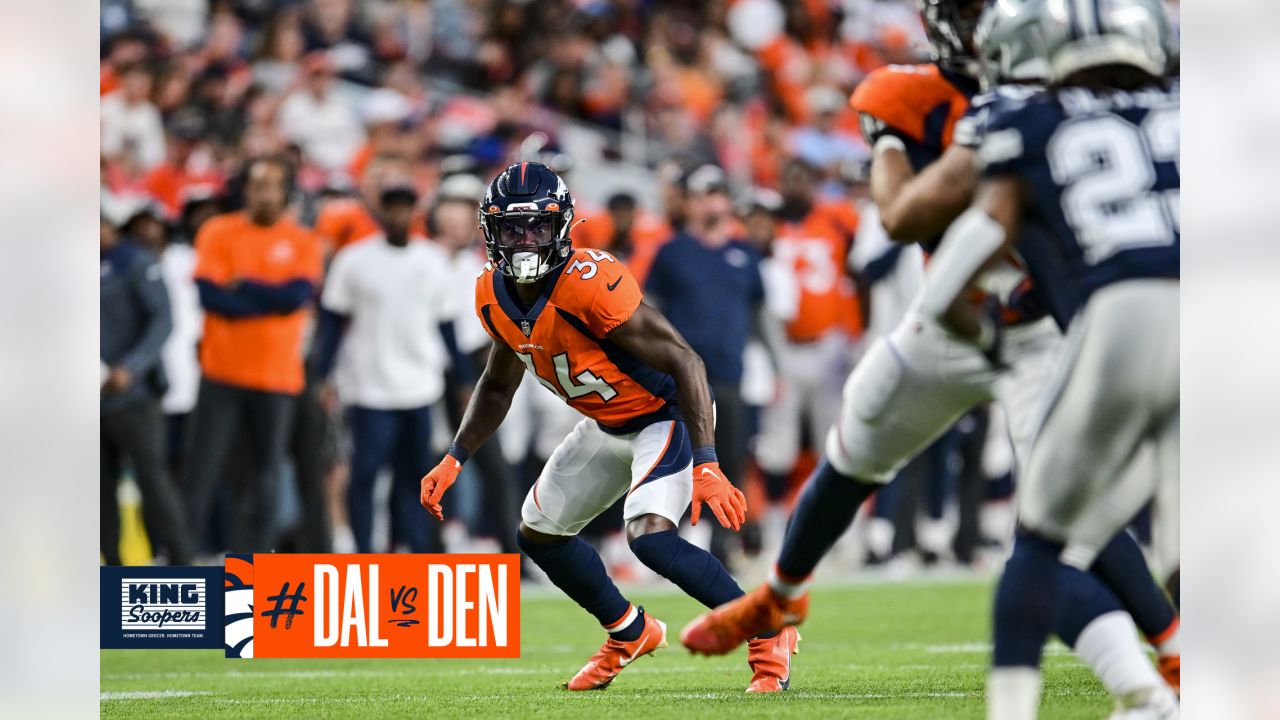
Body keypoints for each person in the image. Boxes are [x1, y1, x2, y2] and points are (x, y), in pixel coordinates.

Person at [680, 0, 1180, 708]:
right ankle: (781, 596)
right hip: (953, 322)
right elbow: (905, 217)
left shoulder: (1042, 105)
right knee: (856, 439)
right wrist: (892, 141)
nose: (989, 27)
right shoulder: (923, 96)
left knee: (1063, 510)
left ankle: (1170, 653)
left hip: (1041, 332)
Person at [417, 162, 797, 693]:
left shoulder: (590, 281)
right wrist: (455, 455)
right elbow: (499, 383)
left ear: (563, 227)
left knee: (649, 539)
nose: (525, 242)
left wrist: (707, 461)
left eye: (537, 228)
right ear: (490, 232)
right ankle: (629, 631)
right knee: (540, 533)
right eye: (512, 229)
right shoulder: (490, 292)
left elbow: (686, 361)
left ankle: (764, 628)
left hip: (663, 415)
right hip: (606, 422)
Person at [914, 2, 1180, 716]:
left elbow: (953, 272)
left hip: (1125, 316)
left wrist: (976, 329)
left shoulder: (1030, 120)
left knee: (1040, 544)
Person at [183, 156, 323, 553]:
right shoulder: (218, 231)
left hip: (277, 377)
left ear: (285, 192)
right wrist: (269, 302)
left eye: (273, 185)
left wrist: (242, 285)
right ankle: (181, 555)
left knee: (267, 475)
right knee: (203, 469)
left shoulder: (302, 240)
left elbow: (296, 297)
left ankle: (259, 558)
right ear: (245, 190)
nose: (265, 193)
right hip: (221, 371)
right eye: (258, 184)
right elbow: (211, 297)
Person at [313, 183, 461, 554]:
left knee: (416, 477)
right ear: (380, 212)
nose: (398, 215)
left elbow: (446, 325)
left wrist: (462, 378)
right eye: (391, 207)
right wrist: (321, 375)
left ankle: (411, 548)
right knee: (364, 473)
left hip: (419, 386)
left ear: (415, 212)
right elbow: (332, 322)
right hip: (369, 386)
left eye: (405, 207)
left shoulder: (432, 259)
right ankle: (364, 550)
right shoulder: (355, 259)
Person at [644, 164, 768, 565]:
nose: (712, 201)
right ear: (692, 202)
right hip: (679, 375)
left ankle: (722, 545)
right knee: (675, 456)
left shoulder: (744, 254)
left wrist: (774, 366)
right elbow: (651, 311)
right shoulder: (672, 252)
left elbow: (757, 315)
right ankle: (667, 545)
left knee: (728, 459)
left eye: (718, 193)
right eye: (704, 194)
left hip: (729, 373)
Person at [100, 208, 192, 565]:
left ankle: (182, 560)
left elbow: (162, 320)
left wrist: (132, 367)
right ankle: (112, 570)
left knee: (153, 483)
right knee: (99, 492)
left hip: (133, 395)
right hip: (92, 399)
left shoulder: (133, 262)